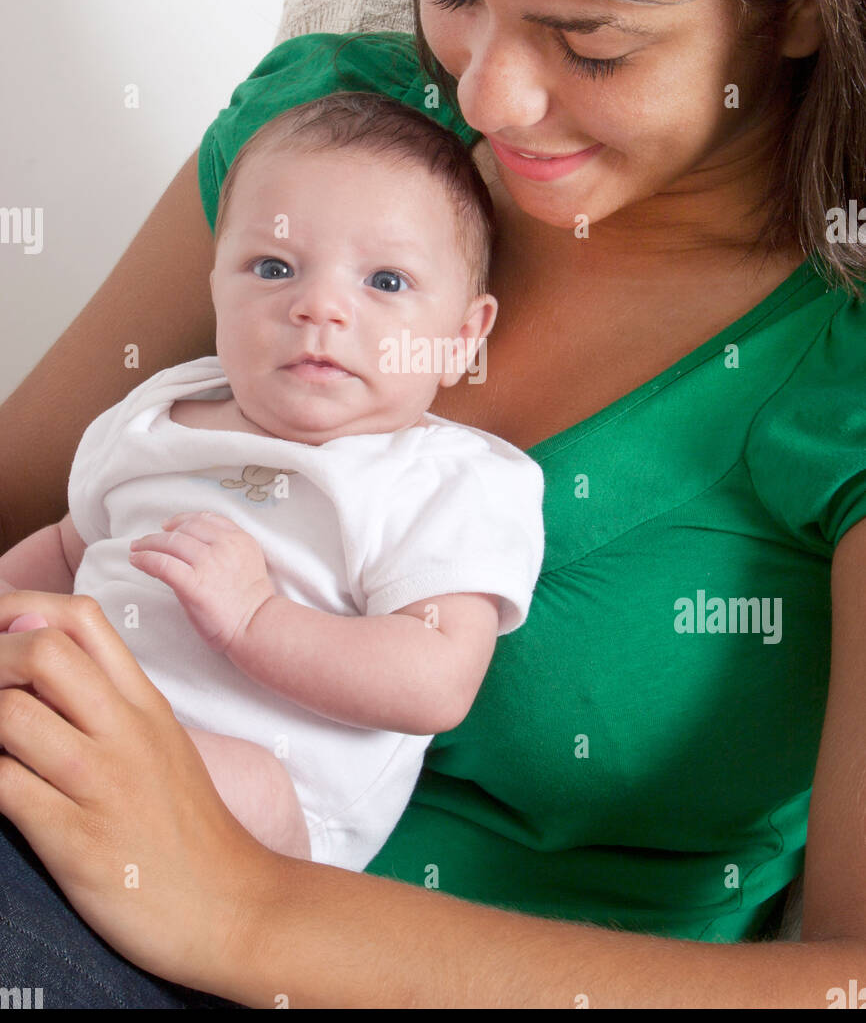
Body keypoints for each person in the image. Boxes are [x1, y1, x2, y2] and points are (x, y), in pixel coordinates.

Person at [2, 0, 866, 1007]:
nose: (484, 98)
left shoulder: (832, 370)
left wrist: (245, 908)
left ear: (796, 6)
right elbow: (28, 499)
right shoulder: (329, 137)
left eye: (590, 43)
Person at [0, 91, 544, 869]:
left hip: (263, 804)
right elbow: (62, 549)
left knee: (241, 781)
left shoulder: (447, 481)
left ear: (462, 338)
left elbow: (436, 680)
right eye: (275, 267)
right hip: (70, 713)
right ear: (217, 285)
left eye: (385, 282)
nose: (318, 307)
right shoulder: (158, 416)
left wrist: (255, 620)